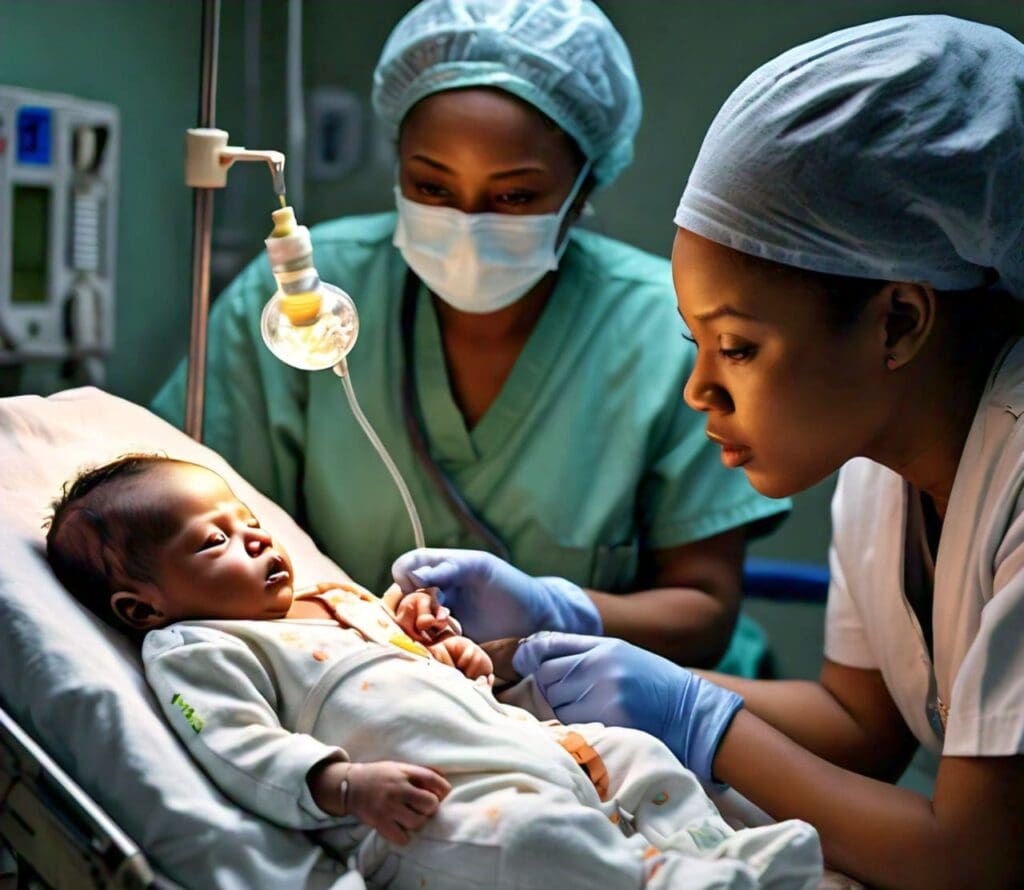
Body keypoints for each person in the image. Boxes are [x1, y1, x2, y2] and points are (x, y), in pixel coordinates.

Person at [496, 15, 1024, 889]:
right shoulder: (877, 471)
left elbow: (974, 856)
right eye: (693, 344)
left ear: (897, 320)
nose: (698, 391)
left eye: (736, 347)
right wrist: (587, 658)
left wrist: (704, 720)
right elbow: (860, 725)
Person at [151, 0, 788, 676]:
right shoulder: (299, 302)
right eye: (431, 186)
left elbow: (703, 611)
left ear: (585, 183)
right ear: (396, 165)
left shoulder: (668, 330)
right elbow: (183, 535)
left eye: (514, 197)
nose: (468, 224)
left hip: (616, 708)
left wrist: (555, 613)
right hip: (356, 685)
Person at [44, 455, 822, 890]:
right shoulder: (198, 648)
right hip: (435, 809)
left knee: (637, 753)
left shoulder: (333, 600)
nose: (255, 541)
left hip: (529, 746)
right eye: (212, 542)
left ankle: (715, 853)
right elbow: (232, 739)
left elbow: (447, 683)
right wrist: (343, 785)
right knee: (534, 842)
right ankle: (665, 882)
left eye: (250, 522)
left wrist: (452, 653)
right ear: (141, 607)